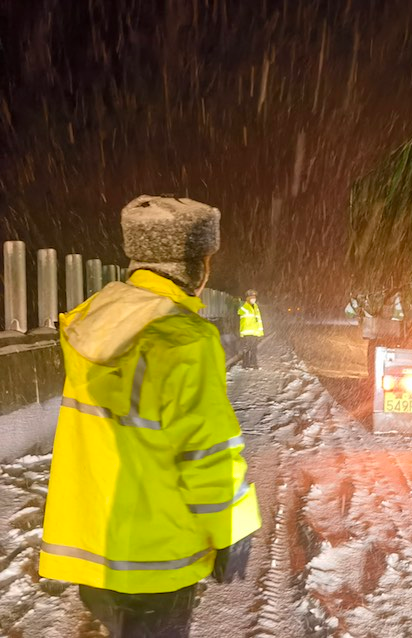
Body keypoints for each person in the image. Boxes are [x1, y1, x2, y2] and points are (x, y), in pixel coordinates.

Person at [39, 195, 262, 637]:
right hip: (154, 561)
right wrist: (234, 528)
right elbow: (209, 453)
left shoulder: (94, 318)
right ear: (196, 266)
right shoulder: (182, 338)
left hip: (95, 555)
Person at [238, 289, 264, 369]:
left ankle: (253, 364)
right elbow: (239, 312)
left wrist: (260, 333)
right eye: (252, 297)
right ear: (248, 298)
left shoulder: (255, 307)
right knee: (247, 349)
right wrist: (241, 304)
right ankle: (245, 364)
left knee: (254, 349)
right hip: (247, 333)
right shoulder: (244, 307)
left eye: (254, 297)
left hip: (254, 332)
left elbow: (258, 320)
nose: (254, 299)